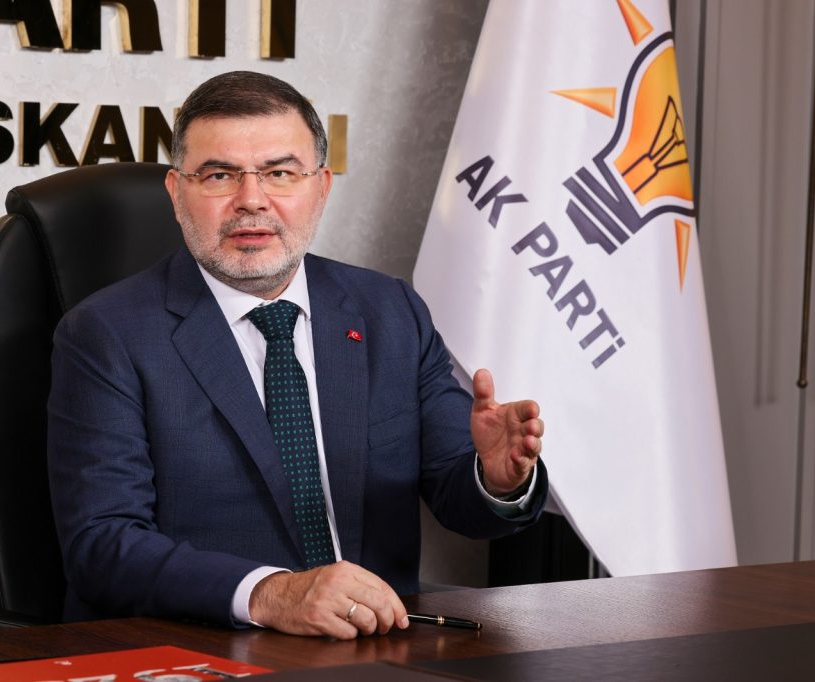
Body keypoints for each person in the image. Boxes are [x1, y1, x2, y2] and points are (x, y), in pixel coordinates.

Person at [47, 71, 548, 640]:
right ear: (176, 192)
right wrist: (271, 595)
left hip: (376, 647)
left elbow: (462, 501)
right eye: (219, 175)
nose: (251, 201)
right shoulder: (106, 334)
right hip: (203, 647)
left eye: (280, 173)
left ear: (321, 187)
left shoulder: (389, 311)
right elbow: (102, 544)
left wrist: (496, 480)